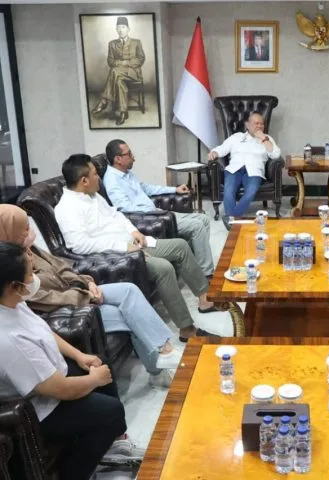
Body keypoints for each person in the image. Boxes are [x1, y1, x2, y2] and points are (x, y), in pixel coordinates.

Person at [0, 204, 182, 388]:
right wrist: (86, 296)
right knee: (129, 315)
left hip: (78, 292)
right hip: (64, 309)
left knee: (129, 290)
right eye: (24, 229)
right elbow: (45, 298)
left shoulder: (30, 249)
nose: (30, 232)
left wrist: (88, 283)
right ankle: (159, 369)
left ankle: (164, 350)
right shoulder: (9, 271)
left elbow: (62, 268)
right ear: (8, 231)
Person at [0, 242, 133, 480]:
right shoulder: (8, 340)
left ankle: (112, 443)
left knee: (99, 362)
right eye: (30, 274)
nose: (35, 278)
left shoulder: (12, 301)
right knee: (111, 411)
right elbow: (58, 389)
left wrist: (80, 356)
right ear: (14, 285)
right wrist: (94, 380)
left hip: (49, 377)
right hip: (36, 410)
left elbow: (42, 331)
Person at [54, 154, 217, 342]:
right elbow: (79, 245)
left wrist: (134, 232)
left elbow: (117, 215)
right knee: (164, 268)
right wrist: (124, 247)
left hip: (134, 243)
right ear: (84, 181)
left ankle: (205, 299)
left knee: (180, 246)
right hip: (118, 256)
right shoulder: (67, 208)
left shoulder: (93, 195)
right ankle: (186, 329)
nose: (98, 177)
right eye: (94, 174)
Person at [103, 139, 215, 276]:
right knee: (196, 226)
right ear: (118, 159)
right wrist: (154, 213)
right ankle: (206, 274)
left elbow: (146, 188)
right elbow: (125, 209)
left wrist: (174, 189)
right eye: (129, 154)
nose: (133, 158)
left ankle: (194, 266)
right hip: (150, 219)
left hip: (157, 213)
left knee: (203, 219)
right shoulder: (112, 181)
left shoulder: (127, 173)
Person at [207, 112, 281, 230]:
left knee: (250, 192)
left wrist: (264, 139)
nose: (259, 126)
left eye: (261, 124)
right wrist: (215, 152)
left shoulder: (267, 139)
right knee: (229, 191)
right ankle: (233, 221)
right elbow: (222, 148)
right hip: (234, 169)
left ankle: (231, 219)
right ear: (248, 125)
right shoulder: (237, 137)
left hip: (254, 172)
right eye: (256, 123)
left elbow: (276, 155)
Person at [91, 16, 145, 126]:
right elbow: (110, 61)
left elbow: (141, 59)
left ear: (128, 29)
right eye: (118, 27)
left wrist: (124, 63)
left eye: (123, 27)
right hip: (118, 75)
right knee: (119, 80)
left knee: (114, 71)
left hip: (133, 73)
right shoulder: (112, 44)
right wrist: (121, 64)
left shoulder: (136, 42)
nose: (121, 30)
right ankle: (123, 112)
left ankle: (104, 101)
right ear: (116, 29)